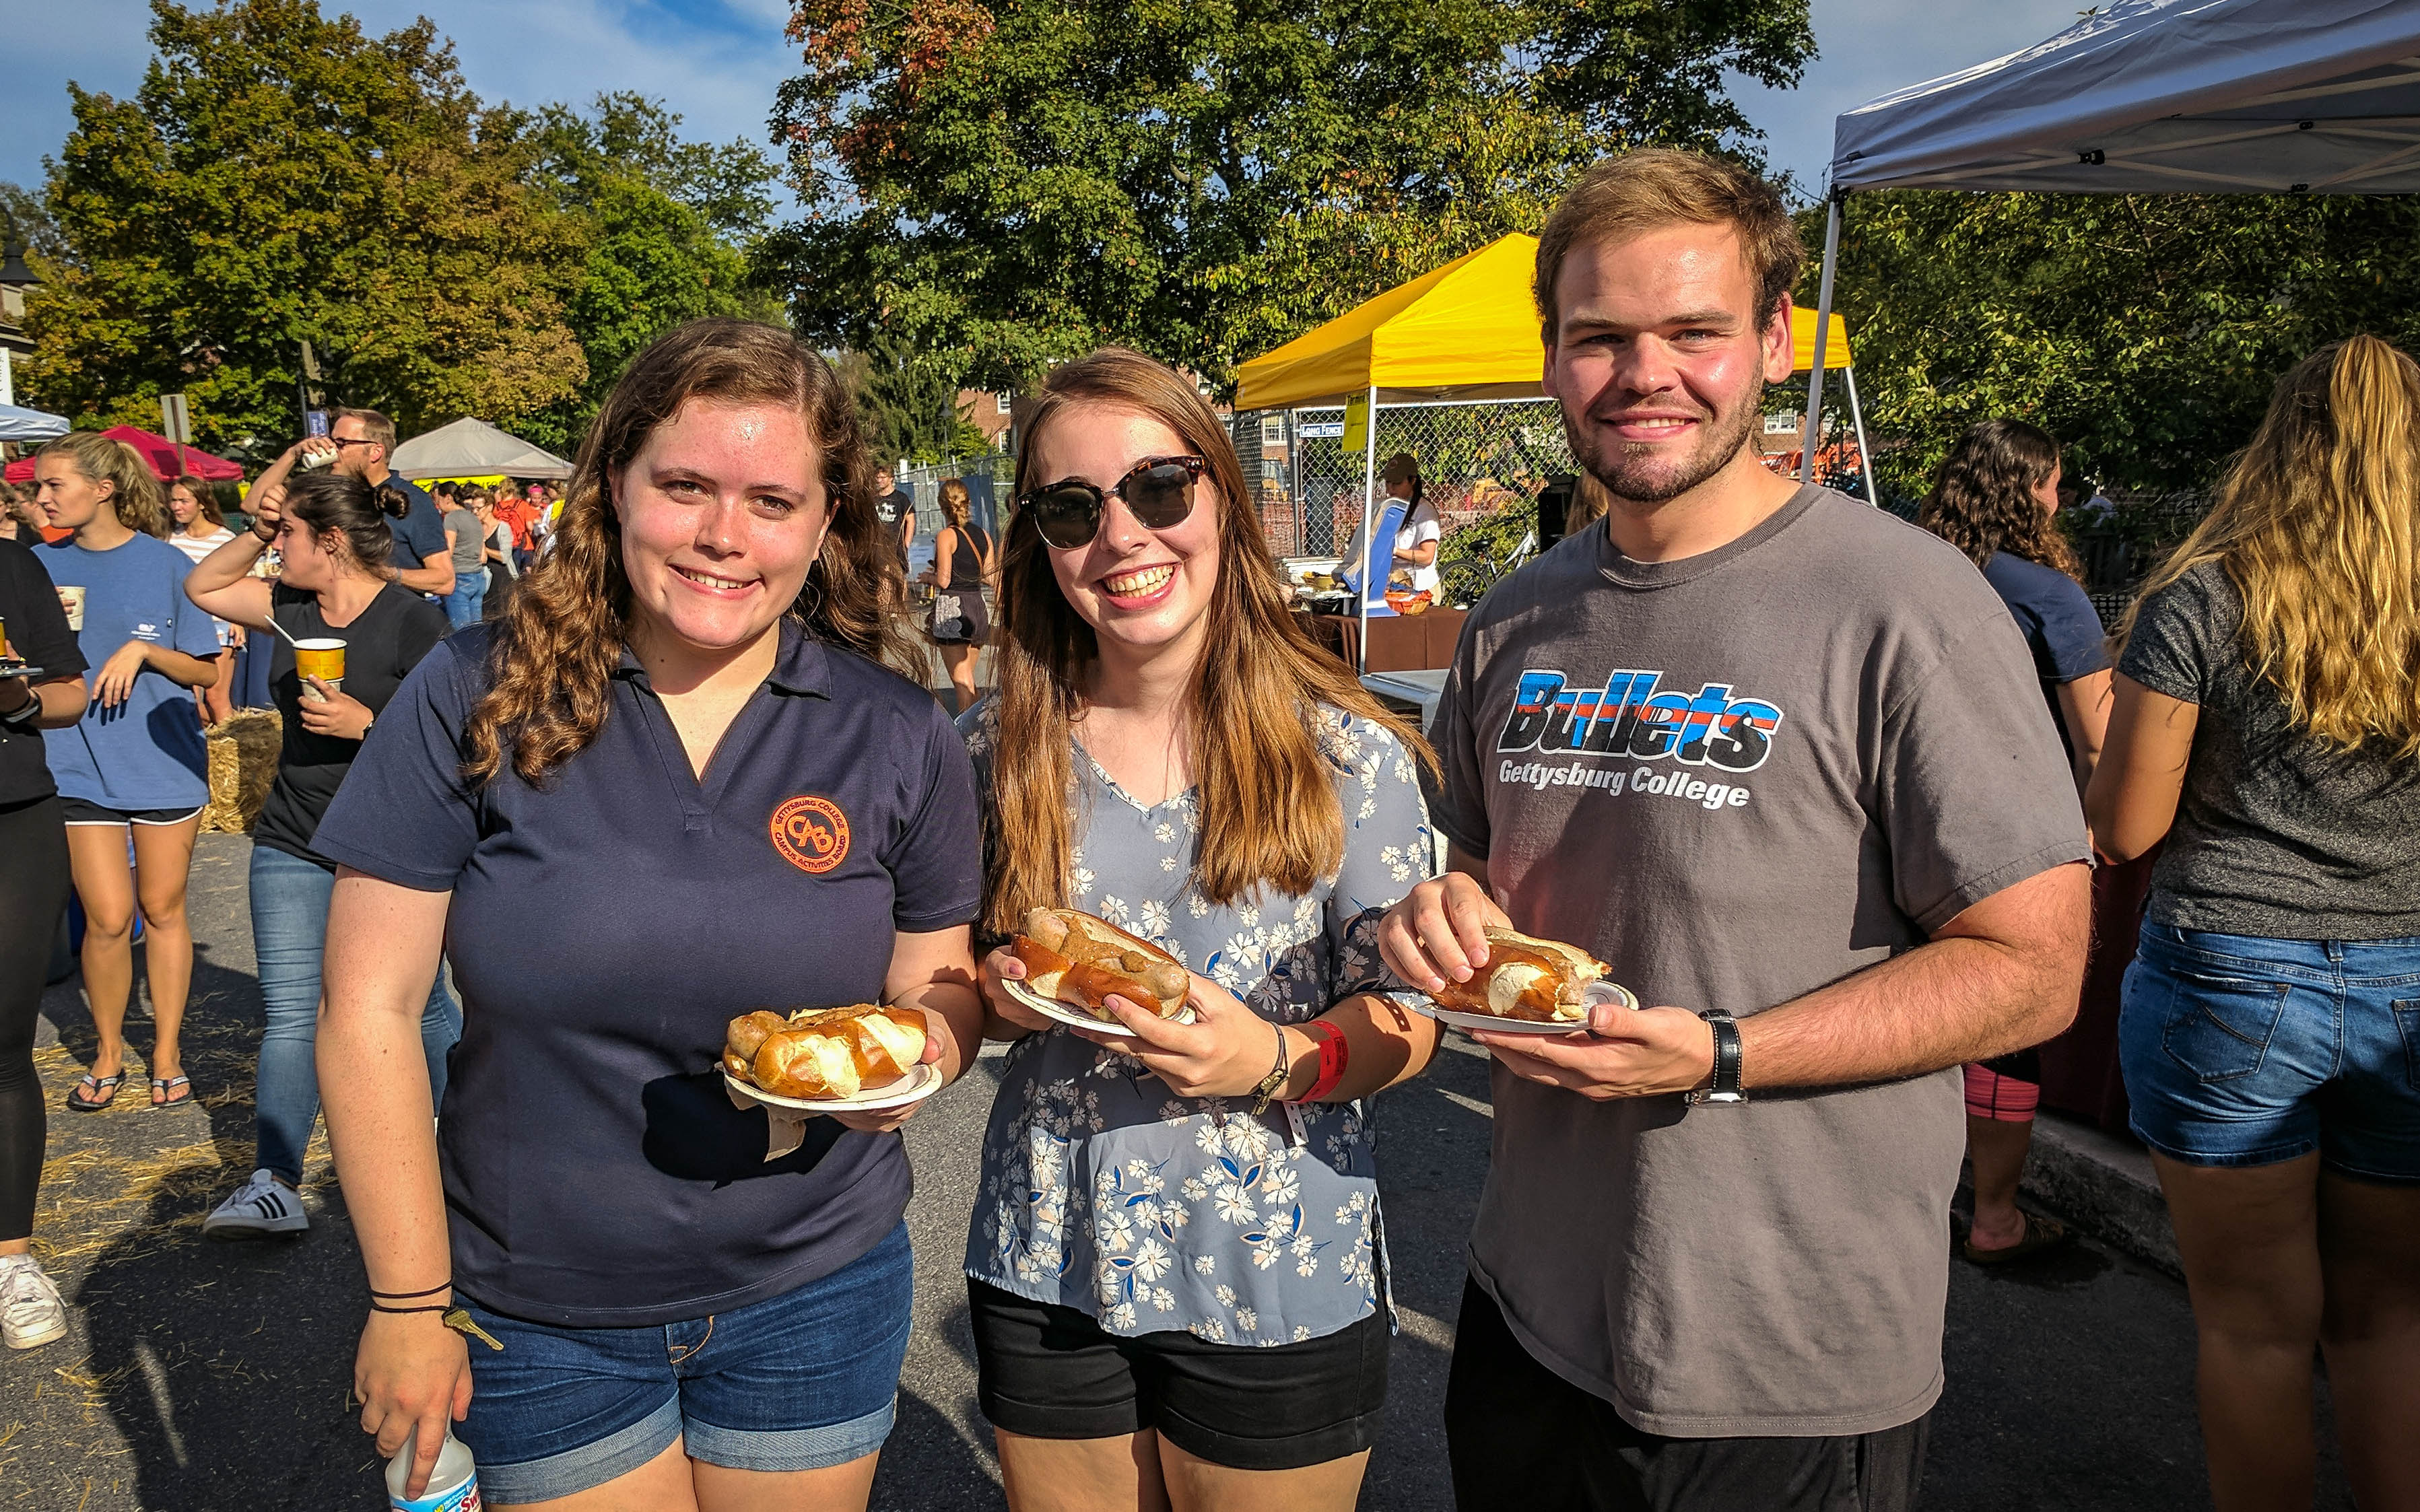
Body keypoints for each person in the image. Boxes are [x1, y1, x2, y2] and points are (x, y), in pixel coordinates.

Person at [1376, 149, 2092, 1512]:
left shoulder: (1906, 604)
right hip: (1527, 1306)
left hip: (1783, 1355)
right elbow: (1477, 871)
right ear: (1552, 358)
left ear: (1770, 340)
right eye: (1600, 336)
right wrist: (1441, 911)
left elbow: (2035, 966)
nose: (1644, 374)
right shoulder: (1515, 616)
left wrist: (1719, 1054)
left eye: (1692, 331)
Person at [314, 318, 986, 1507]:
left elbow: (938, 972)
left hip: (816, 1283)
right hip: (541, 1304)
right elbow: (368, 1007)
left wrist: (926, 1047)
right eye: (685, 486)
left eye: (772, 501)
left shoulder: (895, 727)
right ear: (614, 484)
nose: (725, 534)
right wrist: (408, 1302)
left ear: (825, 521)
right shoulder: (476, 688)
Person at [965, 347, 1442, 1511]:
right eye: (1072, 508)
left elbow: (1409, 1017)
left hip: (1276, 1261)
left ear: (1222, 497)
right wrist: (998, 990)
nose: (1120, 535)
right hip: (1047, 1255)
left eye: (1159, 488)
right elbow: (964, 972)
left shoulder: (1344, 750)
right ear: (1039, 541)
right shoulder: (992, 746)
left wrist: (1271, 1059)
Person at [2087, 334, 2420, 1512]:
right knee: (2389, 1318)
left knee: (2252, 1328)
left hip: (2227, 975)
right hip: (2409, 976)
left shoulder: (2204, 596)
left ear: (2279, 443)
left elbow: (2123, 828)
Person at [184, 470, 455, 1239]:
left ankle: (452, 1143)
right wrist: (257, 529)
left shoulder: (414, 622)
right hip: (294, 836)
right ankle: (273, 1181)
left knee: (423, 1007)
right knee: (294, 1011)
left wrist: (369, 725)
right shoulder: (290, 607)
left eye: (290, 536)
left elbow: (459, 744)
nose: (279, 549)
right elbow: (204, 586)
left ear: (330, 541)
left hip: (392, 843)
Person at [1916, 419, 2113, 1266]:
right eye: (2055, 482)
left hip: (1896, 819)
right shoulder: (2048, 594)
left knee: (1904, 1002)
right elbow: (2099, 739)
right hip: (2015, 833)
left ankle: (1914, 1193)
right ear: (2028, 489)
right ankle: (1995, 1216)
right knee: (2002, 1019)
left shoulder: (1909, 568)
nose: (2059, 498)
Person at [32, 434, 225, 1113]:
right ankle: (109, 1052)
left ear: (103, 488)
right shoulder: (37, 566)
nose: (41, 497)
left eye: (54, 484)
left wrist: (144, 652)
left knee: (162, 910)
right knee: (108, 918)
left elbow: (206, 671)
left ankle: (167, 1053)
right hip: (75, 764)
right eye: (38, 486)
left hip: (161, 763)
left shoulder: (167, 564)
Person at [0, 535, 92, 1349]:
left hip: (13, 817)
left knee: (3, 1044)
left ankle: (12, 1260)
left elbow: (69, 692)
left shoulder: (10, 565)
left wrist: (16, 698)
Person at [261, 410, 454, 600]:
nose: (331, 450)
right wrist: (292, 455)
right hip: (330, 610)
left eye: (341, 443)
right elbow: (255, 506)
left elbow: (445, 580)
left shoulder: (411, 500)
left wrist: (380, 573)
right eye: (331, 441)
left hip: (391, 613)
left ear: (376, 452)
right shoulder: (331, 493)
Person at [165, 474, 240, 726]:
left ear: (201, 504)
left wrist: (238, 621)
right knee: (189, 699)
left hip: (218, 623)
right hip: (181, 625)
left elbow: (239, 582)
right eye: (173, 500)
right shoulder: (170, 539)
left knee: (217, 696)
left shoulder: (225, 539)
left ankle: (233, 742)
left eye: (183, 501)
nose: (177, 507)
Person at [922, 477, 994, 714]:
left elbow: (944, 580)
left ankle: (967, 732)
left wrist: (927, 577)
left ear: (942, 505)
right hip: (977, 606)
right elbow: (990, 575)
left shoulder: (946, 536)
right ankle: (976, 725)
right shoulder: (983, 535)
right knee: (968, 679)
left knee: (962, 682)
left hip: (952, 608)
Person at [1335, 455, 1439, 615]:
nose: (1390, 489)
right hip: (1393, 589)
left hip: (1420, 592)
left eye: (1397, 483)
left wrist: (1393, 551)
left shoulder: (1425, 511)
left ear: (1412, 481)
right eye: (1388, 483)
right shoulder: (1387, 508)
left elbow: (1427, 557)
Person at [436, 484, 489, 629]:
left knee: (461, 631)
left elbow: (448, 551)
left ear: (448, 498)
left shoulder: (451, 519)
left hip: (460, 576)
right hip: (478, 576)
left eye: (438, 499)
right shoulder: (473, 518)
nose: (438, 504)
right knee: (477, 629)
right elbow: (482, 556)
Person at [872, 466, 915, 573]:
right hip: (878, 545)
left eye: (883, 477)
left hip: (896, 546)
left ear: (891, 478)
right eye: (877, 477)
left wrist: (906, 543)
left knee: (898, 574)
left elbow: (910, 520)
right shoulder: (873, 498)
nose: (879, 480)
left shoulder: (901, 498)